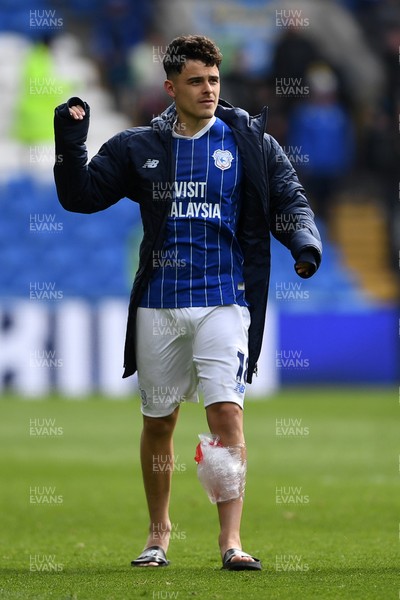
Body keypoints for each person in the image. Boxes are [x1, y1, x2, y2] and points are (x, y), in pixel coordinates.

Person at [53, 35, 322, 571]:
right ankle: (158, 535)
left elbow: (289, 195)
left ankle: (231, 542)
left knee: (226, 415)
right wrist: (71, 137)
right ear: (170, 86)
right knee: (159, 423)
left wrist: (304, 241)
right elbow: (80, 195)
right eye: (196, 81)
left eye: (214, 80)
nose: (208, 90)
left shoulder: (247, 141)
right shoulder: (140, 148)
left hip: (225, 298)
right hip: (160, 302)